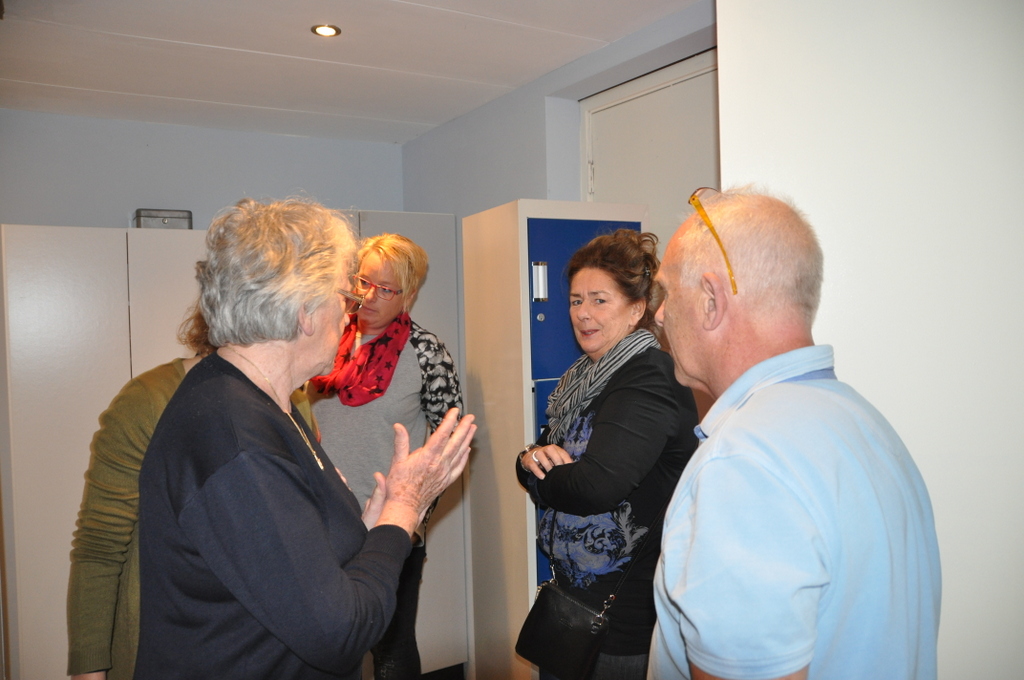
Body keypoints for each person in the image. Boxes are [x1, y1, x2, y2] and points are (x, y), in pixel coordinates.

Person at [133, 198, 475, 680]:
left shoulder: (259, 400)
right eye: (346, 295)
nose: (351, 312)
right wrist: (403, 508)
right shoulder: (238, 441)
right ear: (304, 312)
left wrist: (373, 519)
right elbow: (339, 634)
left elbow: (299, 559)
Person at [649, 187, 941, 680]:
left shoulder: (743, 464)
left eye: (668, 293)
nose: (658, 315)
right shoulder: (864, 422)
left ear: (711, 301)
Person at [66, 305, 321, 680]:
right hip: (166, 652)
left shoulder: (293, 401)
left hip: (267, 652)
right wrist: (89, 669)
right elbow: (100, 545)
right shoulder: (150, 401)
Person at [515, 229, 699, 680]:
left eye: (600, 300)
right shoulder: (583, 377)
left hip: (620, 622)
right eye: (576, 300)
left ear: (637, 309)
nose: (583, 313)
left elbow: (595, 487)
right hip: (572, 603)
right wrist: (529, 460)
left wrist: (537, 474)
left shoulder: (647, 378)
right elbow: (542, 453)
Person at [309, 233, 461, 679]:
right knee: (324, 646)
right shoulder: (323, 337)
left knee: (391, 649)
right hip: (319, 523)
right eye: (363, 282)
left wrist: (414, 516)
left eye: (386, 289)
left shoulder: (426, 353)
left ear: (409, 295)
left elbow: (448, 444)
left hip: (389, 527)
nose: (369, 297)